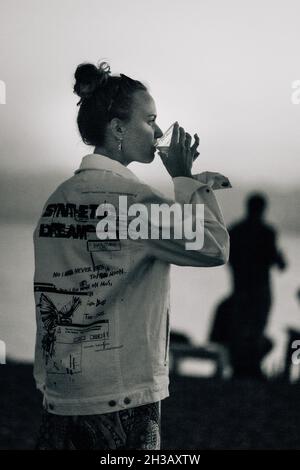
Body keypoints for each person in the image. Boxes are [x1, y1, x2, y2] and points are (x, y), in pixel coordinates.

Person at [33, 61, 230, 449]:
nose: (158, 131)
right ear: (118, 128)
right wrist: (185, 179)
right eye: (150, 119)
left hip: (61, 391)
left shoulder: (56, 200)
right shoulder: (134, 204)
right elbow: (214, 246)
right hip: (120, 392)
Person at [225, 193, 287, 379]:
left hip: (240, 289)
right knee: (257, 328)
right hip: (261, 290)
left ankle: (240, 368)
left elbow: (229, 260)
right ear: (262, 209)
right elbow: (279, 263)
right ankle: (252, 367)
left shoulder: (235, 230)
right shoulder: (267, 232)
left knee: (241, 329)